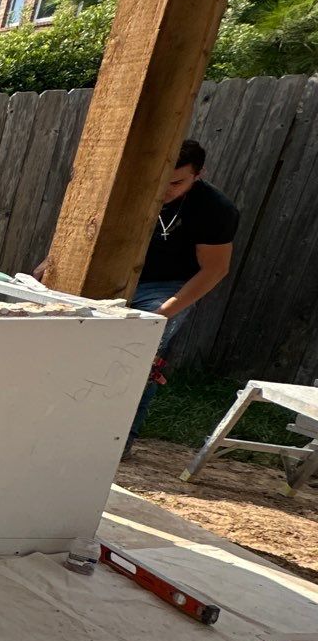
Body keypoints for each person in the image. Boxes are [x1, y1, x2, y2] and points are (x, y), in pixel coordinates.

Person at [127, 138, 238, 439]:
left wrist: (165, 311)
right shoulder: (129, 185)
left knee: (140, 357)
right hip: (119, 275)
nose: (164, 191)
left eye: (176, 183)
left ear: (198, 174)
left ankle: (121, 441)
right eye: (160, 181)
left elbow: (215, 269)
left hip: (166, 286)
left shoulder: (215, 209)